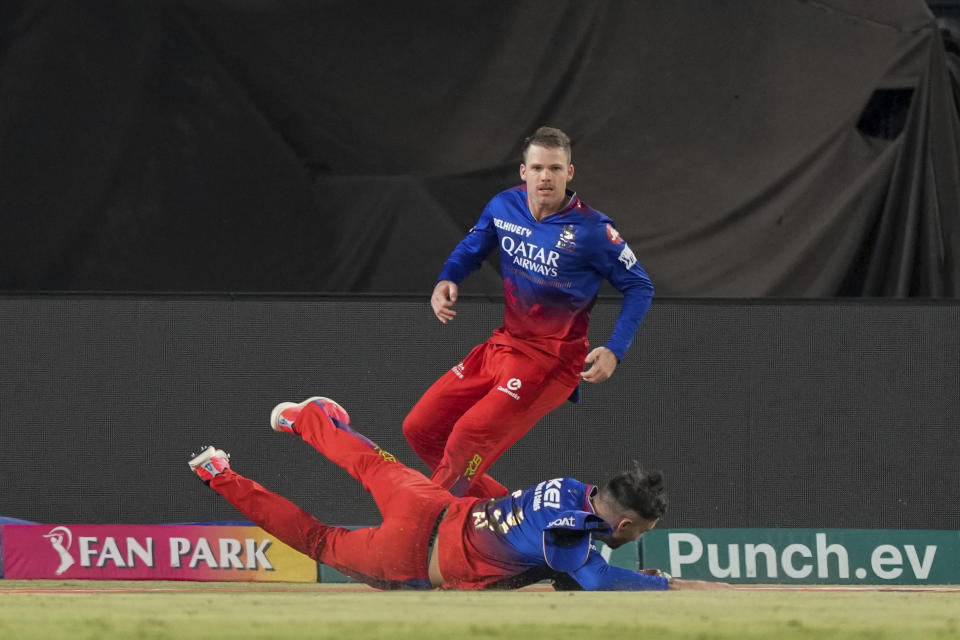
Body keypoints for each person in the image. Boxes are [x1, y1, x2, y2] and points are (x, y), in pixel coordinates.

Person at [189, 396, 726, 591]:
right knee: (320, 540)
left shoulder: (568, 488)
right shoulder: (572, 542)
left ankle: (302, 417)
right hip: (412, 559)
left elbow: (509, 504)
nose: (635, 543)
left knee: (371, 461)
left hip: (432, 505)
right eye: (641, 535)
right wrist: (668, 585)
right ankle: (218, 473)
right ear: (626, 525)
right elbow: (598, 578)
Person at [403, 126, 655, 499]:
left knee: (468, 436)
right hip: (504, 346)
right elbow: (473, 247)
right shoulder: (504, 206)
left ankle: (427, 528)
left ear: (569, 173)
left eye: (554, 169)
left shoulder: (593, 231)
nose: (545, 177)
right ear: (524, 172)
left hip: (551, 362)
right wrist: (448, 278)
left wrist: (615, 349)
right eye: (537, 168)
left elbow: (640, 285)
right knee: (420, 428)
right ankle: (502, 515)